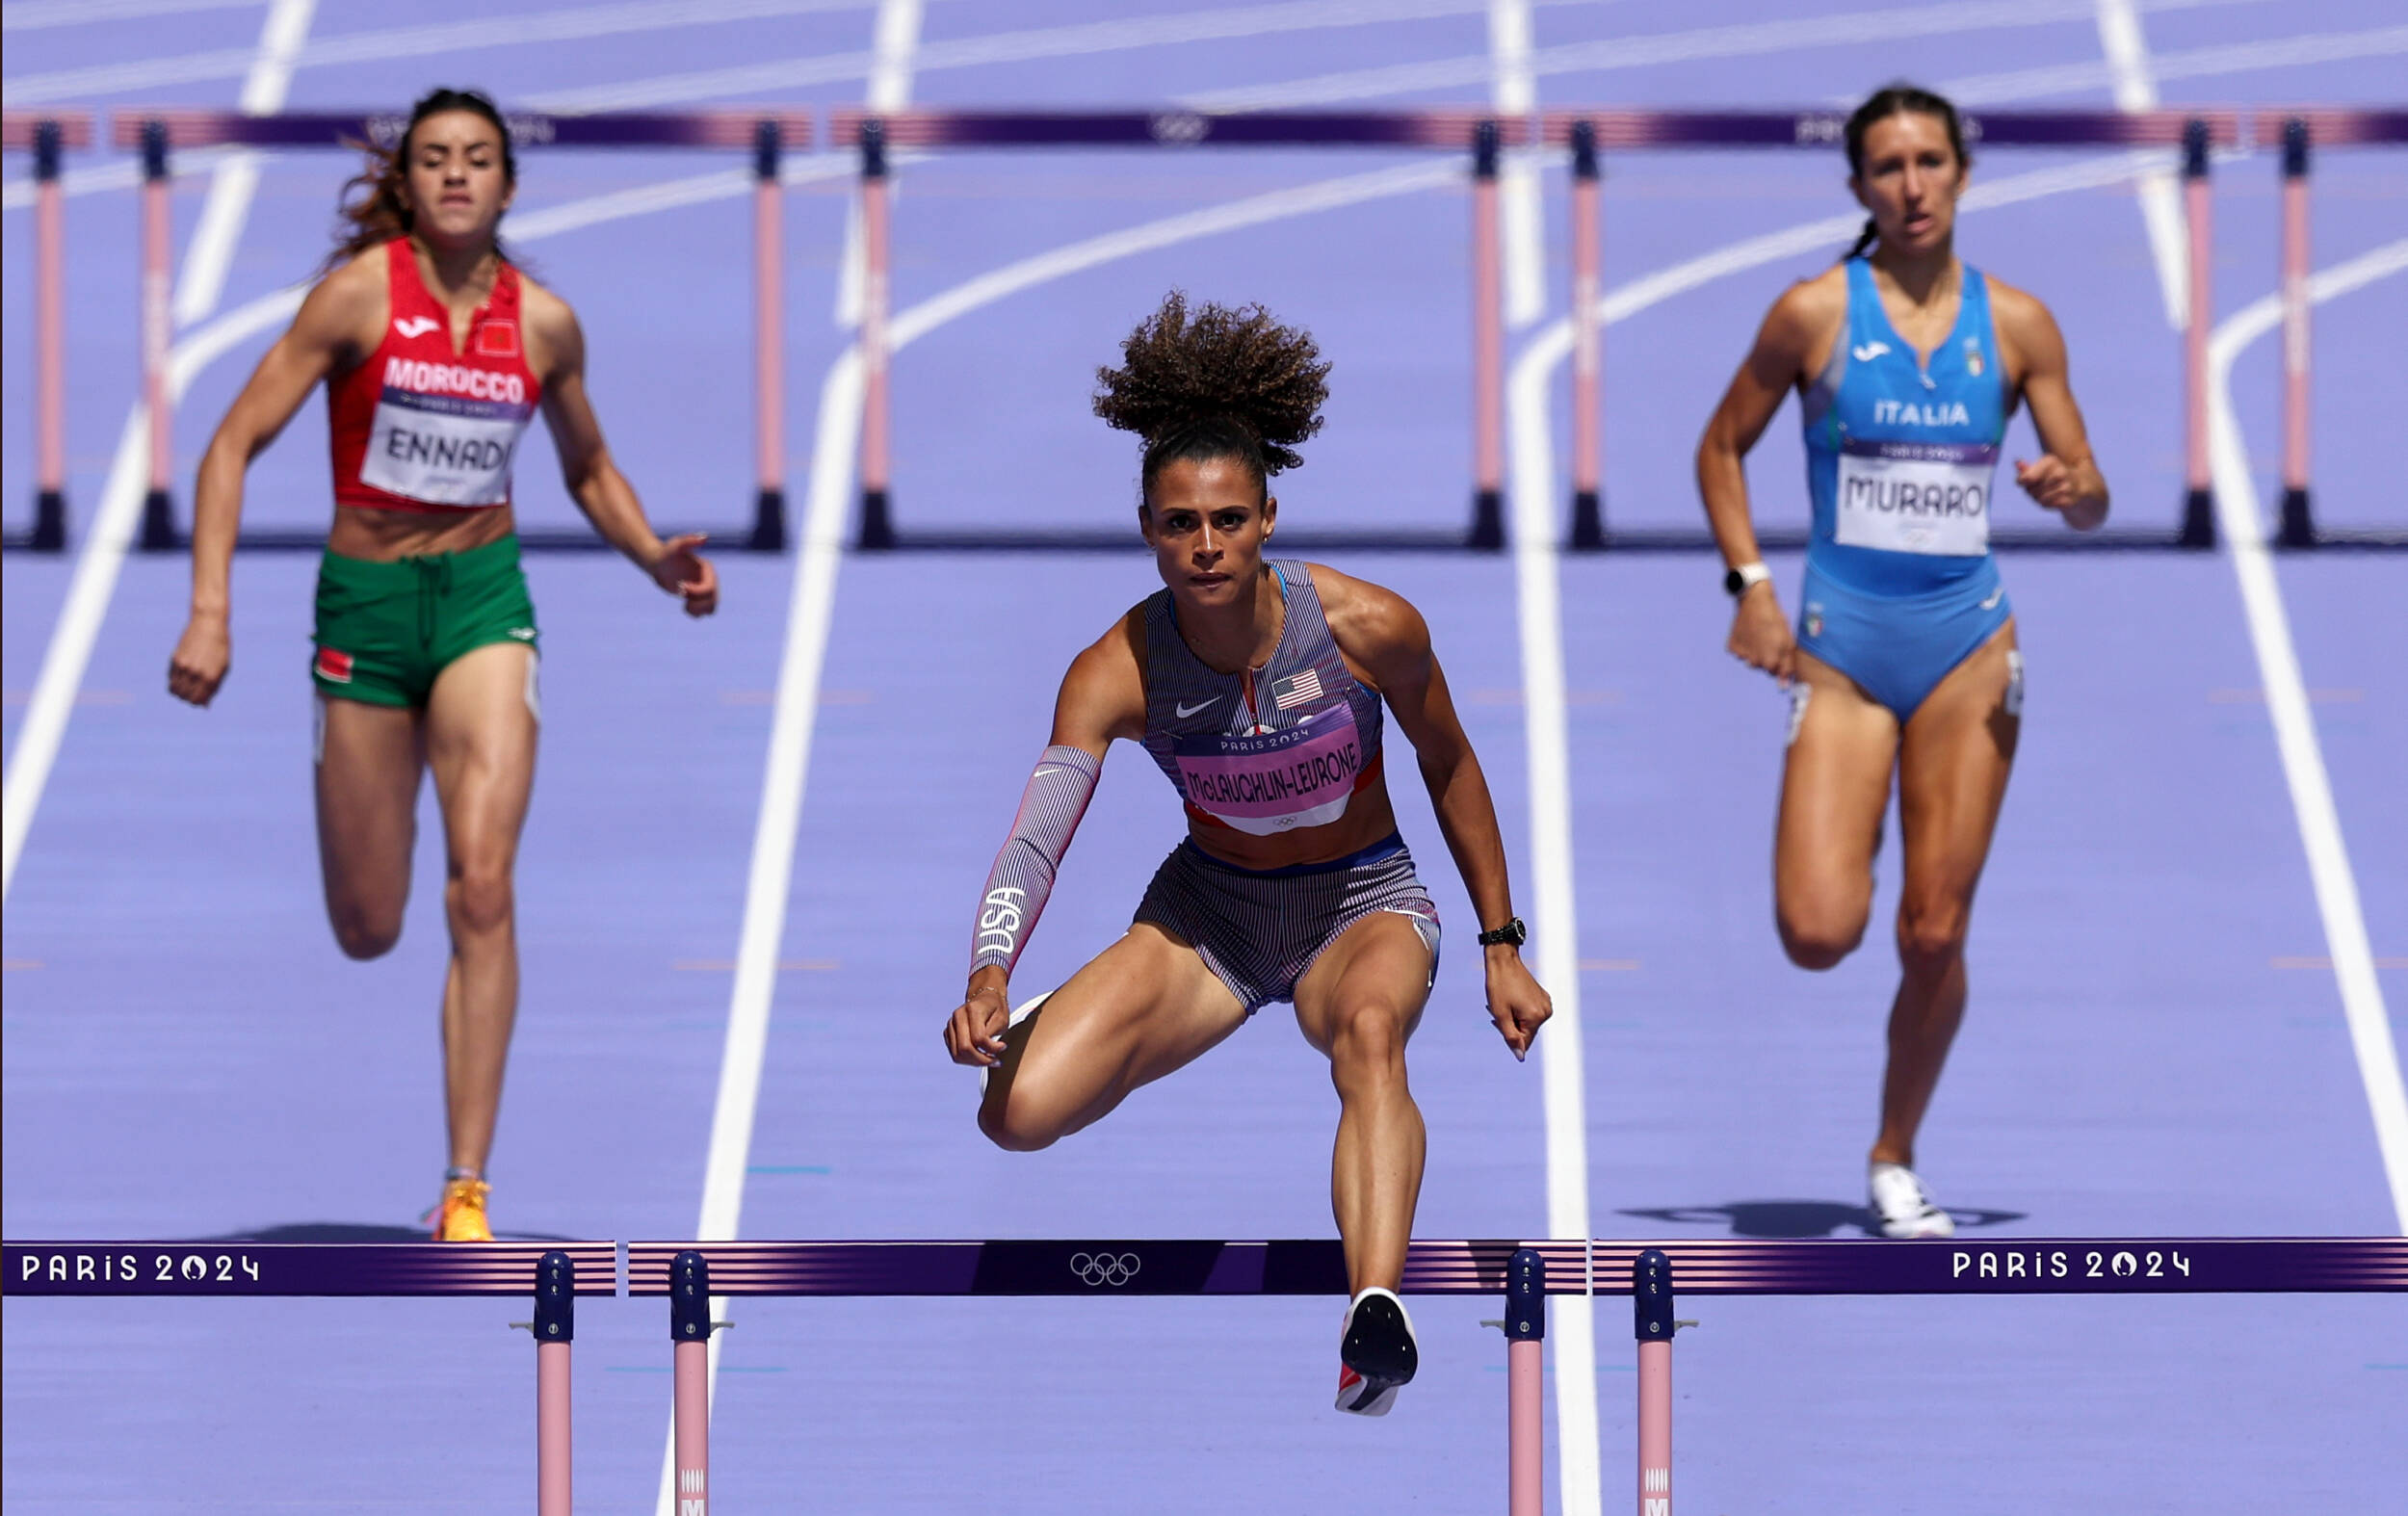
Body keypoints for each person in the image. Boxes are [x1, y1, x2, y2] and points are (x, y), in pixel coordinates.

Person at [941, 293, 1553, 1414]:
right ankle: (1046, 1019)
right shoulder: (1114, 668)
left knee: (1370, 1034)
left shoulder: (1370, 628)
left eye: (1227, 518)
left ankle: (1374, 1313)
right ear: (1148, 530)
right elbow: (1039, 829)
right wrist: (988, 969)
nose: (1206, 544)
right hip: (1211, 917)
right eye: (1180, 524)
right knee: (1015, 1116)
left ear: (1268, 515)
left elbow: (1452, 764)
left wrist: (1500, 941)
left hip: (1361, 902)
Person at [166, 88, 718, 1242]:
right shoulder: (358, 299)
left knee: (482, 882)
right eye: (434, 159)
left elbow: (588, 465)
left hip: (481, 605)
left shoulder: (546, 324)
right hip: (364, 611)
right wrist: (209, 611)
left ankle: (466, 1184)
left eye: (477, 158)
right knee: (368, 923)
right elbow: (229, 445)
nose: (457, 175)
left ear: (508, 184)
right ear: (406, 184)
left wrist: (656, 556)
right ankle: (370, 825)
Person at [1694, 85, 2107, 1239]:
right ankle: (1843, 807)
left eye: (1931, 161)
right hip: (1842, 651)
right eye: (1888, 166)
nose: (1912, 185)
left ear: (1964, 174)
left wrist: (2074, 489)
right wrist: (1751, 587)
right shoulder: (1814, 313)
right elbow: (1720, 445)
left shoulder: (2018, 324)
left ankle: (1892, 1153)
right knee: (1819, 931)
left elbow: (2089, 489)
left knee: (1932, 930)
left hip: (1969, 646)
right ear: (1859, 188)